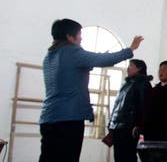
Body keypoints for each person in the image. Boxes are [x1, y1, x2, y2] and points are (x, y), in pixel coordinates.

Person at [39, 18, 143, 162]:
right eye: (79, 34)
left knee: (48, 158)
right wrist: (130, 49)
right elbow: (103, 59)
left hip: (48, 118)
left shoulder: (49, 56)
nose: (81, 38)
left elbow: (71, 72)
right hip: (68, 119)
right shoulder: (72, 52)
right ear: (69, 37)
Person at [108, 59, 152, 162]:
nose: (128, 68)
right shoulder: (126, 83)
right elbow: (117, 105)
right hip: (117, 126)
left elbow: (144, 105)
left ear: (139, 68)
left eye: (131, 65)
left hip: (129, 127)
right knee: (118, 156)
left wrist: (139, 124)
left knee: (128, 156)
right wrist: (111, 122)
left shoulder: (142, 83)